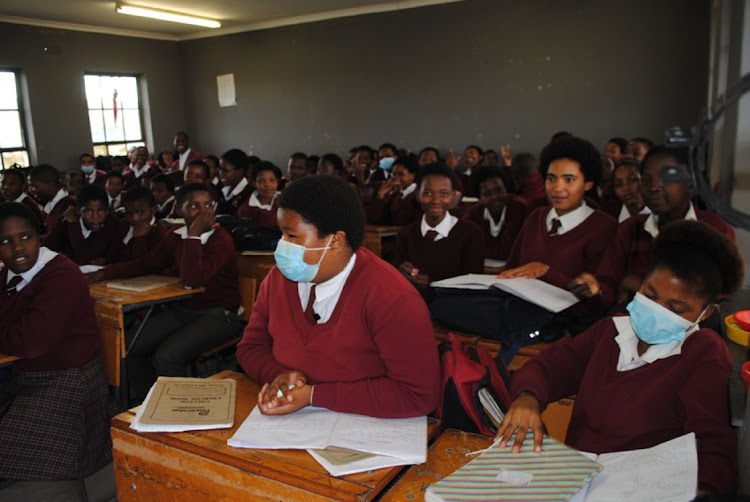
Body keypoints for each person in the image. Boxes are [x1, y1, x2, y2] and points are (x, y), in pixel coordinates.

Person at [496, 220, 742, 495]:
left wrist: (703, 492)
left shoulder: (702, 353)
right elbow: (549, 367)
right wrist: (527, 398)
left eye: (676, 308)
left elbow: (713, 447)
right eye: (650, 294)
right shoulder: (611, 330)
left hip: (642, 490)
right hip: (579, 477)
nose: (657, 310)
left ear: (705, 313)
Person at [236, 175, 440, 418]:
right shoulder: (278, 278)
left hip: (365, 427)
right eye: (281, 234)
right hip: (293, 422)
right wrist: (278, 375)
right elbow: (251, 347)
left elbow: (418, 395)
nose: (281, 246)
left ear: (335, 240)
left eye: (292, 237)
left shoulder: (392, 297)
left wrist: (314, 396)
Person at [89, 183, 241, 399]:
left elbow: (192, 280)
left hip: (219, 314)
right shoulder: (176, 235)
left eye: (208, 205)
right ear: (179, 210)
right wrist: (105, 273)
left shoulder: (221, 240)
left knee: (167, 356)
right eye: (194, 206)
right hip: (184, 310)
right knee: (130, 348)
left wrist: (194, 236)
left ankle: (183, 411)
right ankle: (152, 401)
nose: (204, 212)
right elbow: (147, 263)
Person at [0, 202, 114, 481]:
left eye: (25, 237)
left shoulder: (61, 274)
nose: (17, 248)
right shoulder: (7, 274)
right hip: (23, 374)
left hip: (67, 380)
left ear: (40, 236)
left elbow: (31, 342)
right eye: (5, 241)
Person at [576, 146, 735, 309]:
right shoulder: (631, 228)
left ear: (688, 183)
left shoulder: (714, 229)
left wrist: (635, 283)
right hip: (632, 321)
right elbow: (609, 281)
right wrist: (597, 288)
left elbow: (716, 291)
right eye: (646, 180)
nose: (653, 187)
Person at [395, 163, 484, 293]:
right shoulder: (405, 235)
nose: (436, 200)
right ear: (418, 194)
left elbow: (472, 284)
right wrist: (404, 274)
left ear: (453, 196)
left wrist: (432, 283)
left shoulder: (471, 233)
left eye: (444, 193)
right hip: (414, 303)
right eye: (428, 193)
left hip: (454, 306)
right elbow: (398, 280)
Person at [461, 167, 529, 261]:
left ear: (506, 189)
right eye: (487, 194)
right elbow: (462, 243)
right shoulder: (474, 213)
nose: (494, 197)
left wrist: (477, 249)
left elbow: (506, 251)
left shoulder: (519, 208)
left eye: (499, 190)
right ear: (479, 198)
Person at [44, 184, 119, 265]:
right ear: (78, 211)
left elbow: (84, 257)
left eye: (101, 211)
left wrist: (74, 225)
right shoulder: (67, 219)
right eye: (88, 211)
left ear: (107, 210)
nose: (96, 217)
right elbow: (46, 248)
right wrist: (73, 223)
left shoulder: (111, 223)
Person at [114, 185, 167, 262]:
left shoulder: (159, 234)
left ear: (154, 210)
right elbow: (113, 254)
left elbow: (142, 265)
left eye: (140, 212)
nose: (134, 218)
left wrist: (139, 238)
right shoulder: (124, 224)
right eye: (129, 213)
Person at [367, 155, 421, 226]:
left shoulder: (418, 195)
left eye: (401, 174)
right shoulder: (394, 195)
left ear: (412, 176)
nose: (396, 178)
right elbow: (375, 219)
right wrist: (381, 193)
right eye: (394, 174)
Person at [27, 164, 76, 240]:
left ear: (51, 185)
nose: (30, 190)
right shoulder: (50, 204)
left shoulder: (68, 205)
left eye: (34, 186)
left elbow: (60, 238)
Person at [237, 161, 282, 228]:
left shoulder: (285, 201)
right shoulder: (246, 210)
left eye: (272, 180)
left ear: (277, 181)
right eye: (262, 181)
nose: (268, 185)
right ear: (254, 183)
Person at [217, 149, 253, 215]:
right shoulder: (220, 188)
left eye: (225, 170)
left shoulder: (249, 194)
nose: (220, 174)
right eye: (219, 169)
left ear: (240, 171)